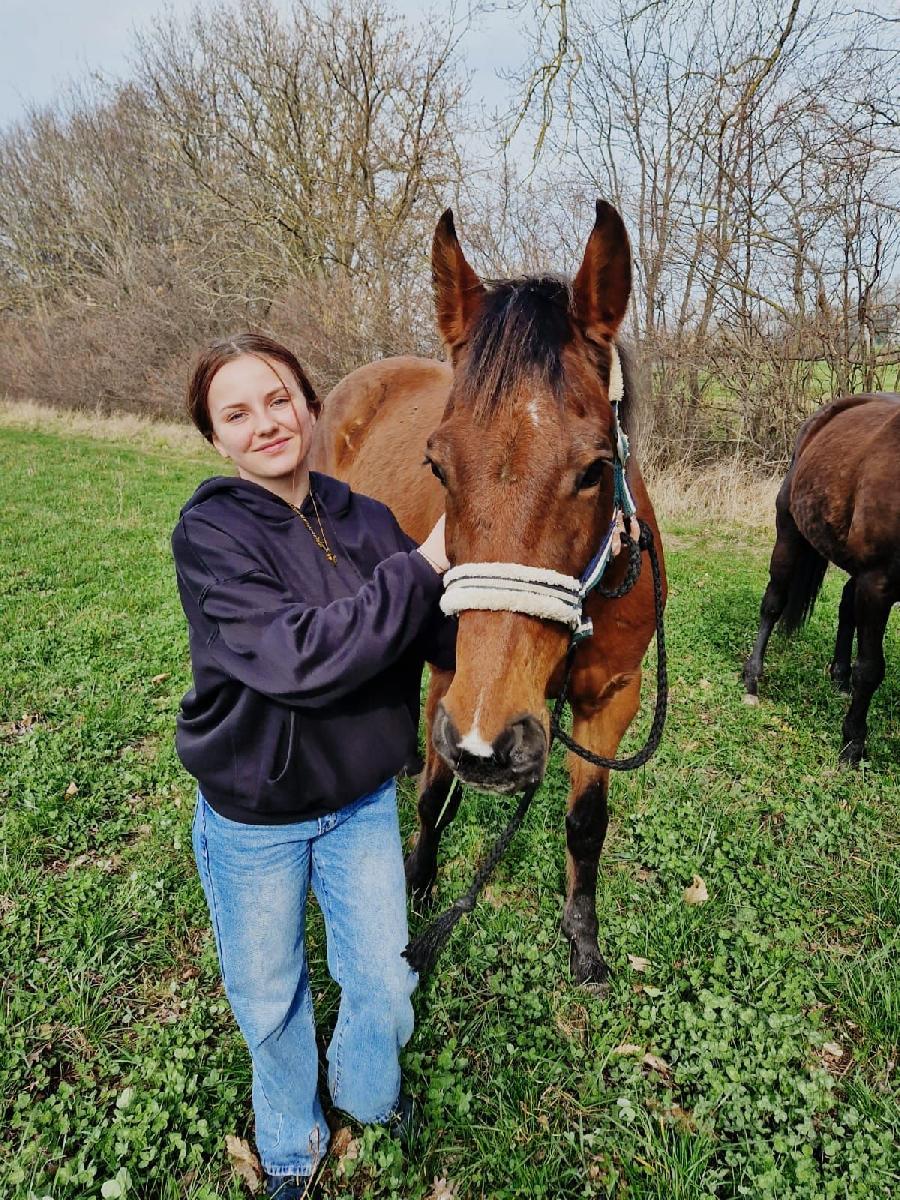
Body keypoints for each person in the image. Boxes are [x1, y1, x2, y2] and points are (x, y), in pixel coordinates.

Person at [171, 332, 454, 1199]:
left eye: (280, 398)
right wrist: (425, 567)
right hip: (254, 816)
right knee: (273, 1000)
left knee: (383, 982)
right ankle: (292, 1146)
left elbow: (434, 630)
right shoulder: (211, 533)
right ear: (216, 437)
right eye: (238, 411)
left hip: (363, 802)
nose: (267, 422)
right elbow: (298, 656)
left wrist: (552, 579)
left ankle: (366, 1096)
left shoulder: (364, 516)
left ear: (310, 403)